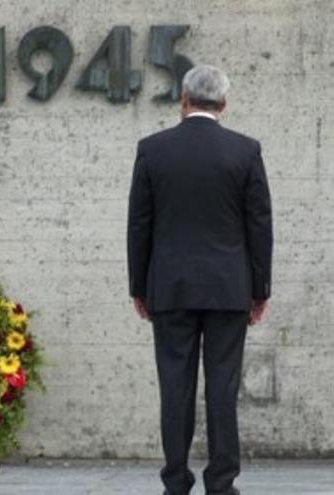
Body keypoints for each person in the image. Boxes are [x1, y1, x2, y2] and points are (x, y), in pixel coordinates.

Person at [127, 65, 273, 495]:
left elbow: (139, 224)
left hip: (170, 287)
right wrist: (259, 289)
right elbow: (259, 225)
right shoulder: (245, 151)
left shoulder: (153, 150)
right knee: (223, 386)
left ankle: (176, 481)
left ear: (183, 100)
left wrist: (140, 285)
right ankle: (222, 483)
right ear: (223, 105)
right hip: (229, 287)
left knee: (175, 385)